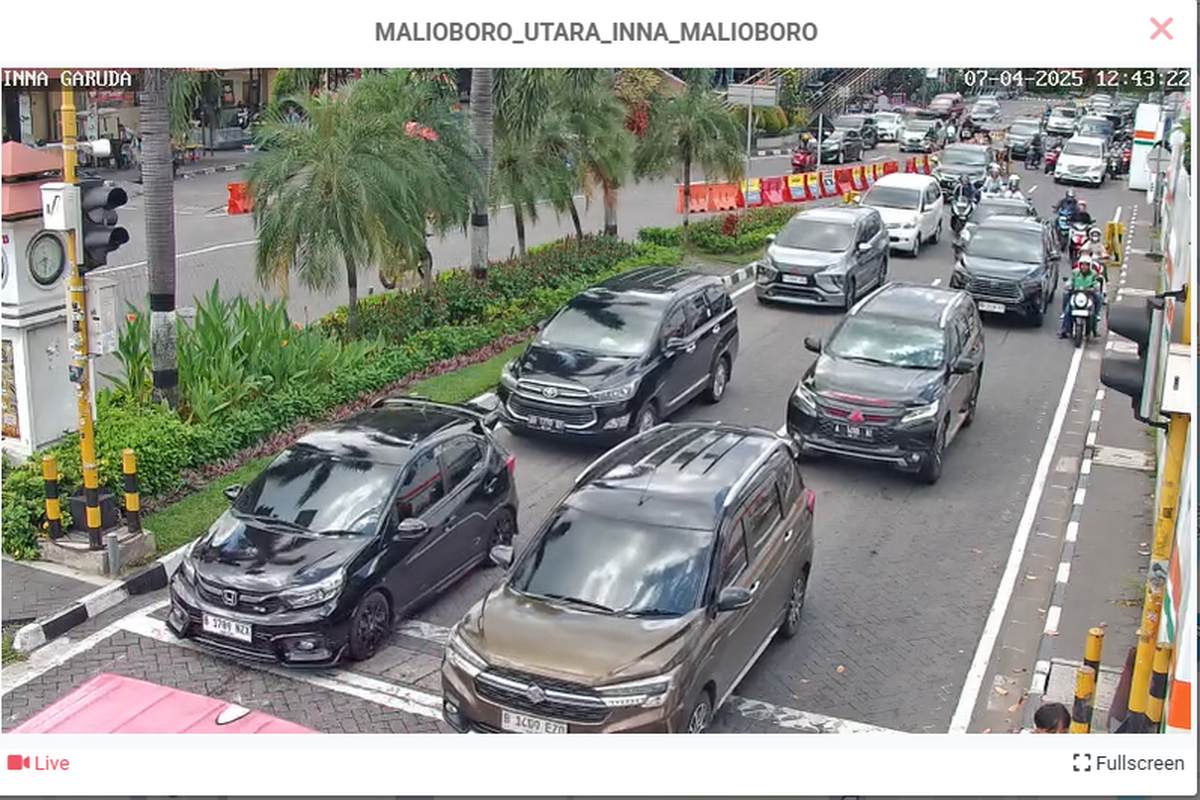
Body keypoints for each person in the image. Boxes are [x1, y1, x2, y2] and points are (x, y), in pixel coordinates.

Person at [1060, 256, 1104, 339]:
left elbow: (1096, 283)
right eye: (1082, 265)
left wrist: (1095, 287)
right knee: (1067, 310)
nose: (1084, 267)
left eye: (1086, 265)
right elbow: (1071, 281)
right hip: (1076, 294)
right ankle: (1064, 330)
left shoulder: (1093, 274)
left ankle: (1094, 329)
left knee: (1097, 301)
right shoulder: (1075, 273)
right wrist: (1068, 285)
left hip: (1088, 295)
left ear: (1089, 266)